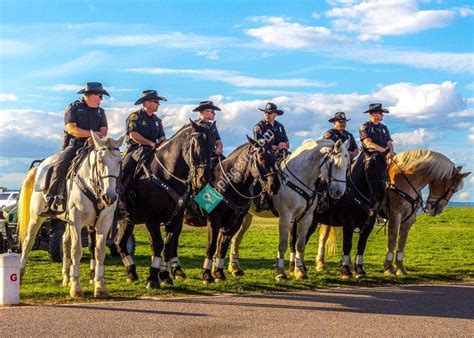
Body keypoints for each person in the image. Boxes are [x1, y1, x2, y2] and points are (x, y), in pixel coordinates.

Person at [40, 82, 109, 217]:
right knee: (60, 166)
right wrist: (92, 134)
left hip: (95, 145)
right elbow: (72, 129)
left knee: (112, 164)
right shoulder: (73, 107)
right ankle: (52, 200)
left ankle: (118, 203)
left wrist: (95, 137)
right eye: (100, 96)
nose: (102, 99)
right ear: (91, 95)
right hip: (75, 145)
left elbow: (104, 131)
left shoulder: (101, 112)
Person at [119, 90, 167, 212]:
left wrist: (164, 145)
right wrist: (150, 143)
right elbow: (133, 135)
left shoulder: (157, 120)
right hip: (136, 149)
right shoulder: (135, 117)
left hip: (154, 150)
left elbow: (162, 137)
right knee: (125, 169)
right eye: (155, 101)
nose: (158, 104)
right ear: (147, 103)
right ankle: (119, 196)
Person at [253, 102, 289, 211]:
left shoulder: (280, 126)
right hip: (265, 156)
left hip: (282, 154)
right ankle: (261, 199)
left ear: (275, 114)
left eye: (270, 113)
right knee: (264, 175)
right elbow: (259, 145)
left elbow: (287, 142)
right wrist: (277, 147)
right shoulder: (259, 127)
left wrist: (285, 145)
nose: (267, 115)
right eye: (266, 113)